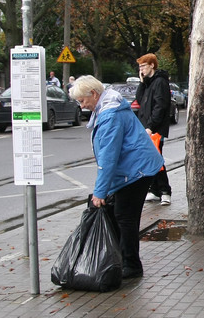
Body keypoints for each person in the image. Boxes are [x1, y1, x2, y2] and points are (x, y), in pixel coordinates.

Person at [69, 75, 163, 280]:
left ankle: (131, 265)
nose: (81, 105)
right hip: (133, 167)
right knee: (118, 213)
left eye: (82, 100)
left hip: (138, 170)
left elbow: (109, 157)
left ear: (94, 94)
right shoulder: (106, 107)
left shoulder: (110, 114)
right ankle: (119, 259)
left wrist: (100, 192)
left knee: (125, 216)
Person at [135, 54, 173, 206]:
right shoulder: (149, 83)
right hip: (147, 127)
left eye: (143, 66)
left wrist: (151, 126)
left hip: (154, 129)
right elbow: (139, 99)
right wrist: (142, 83)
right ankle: (156, 189)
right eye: (140, 67)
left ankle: (164, 191)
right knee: (151, 158)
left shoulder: (160, 82)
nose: (141, 69)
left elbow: (160, 106)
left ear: (152, 65)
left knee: (156, 158)